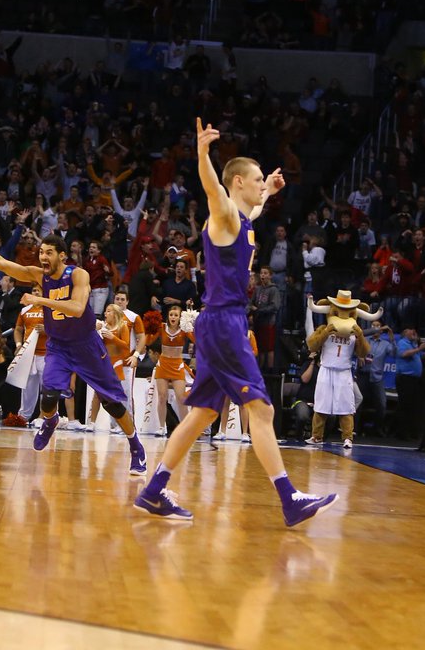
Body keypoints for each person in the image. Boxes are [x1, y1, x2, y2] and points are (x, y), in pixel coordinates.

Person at [134, 118, 338, 526]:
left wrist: (270, 195)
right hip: (225, 324)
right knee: (261, 411)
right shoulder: (224, 213)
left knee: (202, 415)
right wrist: (203, 154)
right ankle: (289, 498)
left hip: (217, 323)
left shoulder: (242, 218)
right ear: (239, 182)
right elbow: (213, 189)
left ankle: (153, 491)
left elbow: (254, 210)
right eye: (259, 178)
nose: (264, 182)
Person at [0, 220, 148, 476]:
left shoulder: (78, 275)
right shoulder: (39, 274)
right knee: (48, 395)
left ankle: (136, 446)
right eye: (40, 252)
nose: (42, 257)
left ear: (62, 256)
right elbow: (2, 264)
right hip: (58, 346)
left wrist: (40, 299)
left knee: (111, 404)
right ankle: (50, 421)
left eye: (48, 252)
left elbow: (78, 308)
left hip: (87, 345)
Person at [6, 283, 49, 426]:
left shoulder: (50, 309)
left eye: (39, 291)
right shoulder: (24, 310)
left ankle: (46, 417)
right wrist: (19, 345)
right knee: (28, 386)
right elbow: (18, 329)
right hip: (29, 353)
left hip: (46, 353)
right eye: (34, 290)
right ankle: (23, 417)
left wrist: (47, 329)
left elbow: (60, 329)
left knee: (47, 387)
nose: (36, 293)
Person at [150, 304, 193, 435]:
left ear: (180, 317)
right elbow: (149, 341)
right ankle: (162, 428)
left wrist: (191, 324)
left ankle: (185, 428)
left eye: (176, 315)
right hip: (163, 364)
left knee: (181, 398)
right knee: (162, 397)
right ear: (168, 316)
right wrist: (149, 329)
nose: (173, 317)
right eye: (171, 315)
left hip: (177, 365)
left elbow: (197, 340)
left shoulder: (184, 329)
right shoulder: (162, 327)